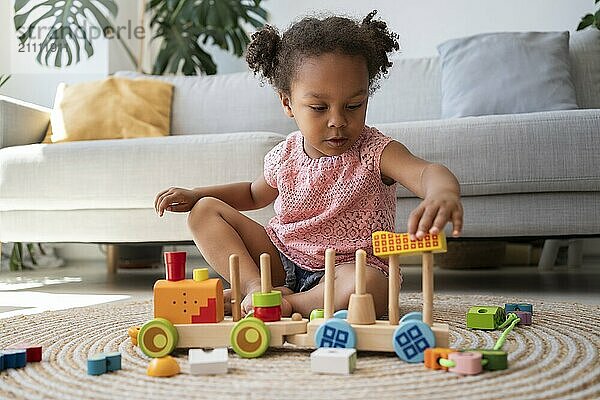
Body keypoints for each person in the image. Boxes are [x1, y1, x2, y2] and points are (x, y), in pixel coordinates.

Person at [154, 10, 463, 318]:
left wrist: (442, 192)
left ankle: (291, 304)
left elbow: (425, 172)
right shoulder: (285, 154)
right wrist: (197, 195)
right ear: (288, 103)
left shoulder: (375, 151)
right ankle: (254, 288)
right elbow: (251, 194)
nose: (338, 121)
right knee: (204, 212)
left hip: (346, 269)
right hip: (280, 260)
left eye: (354, 105)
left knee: (369, 286)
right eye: (318, 107)